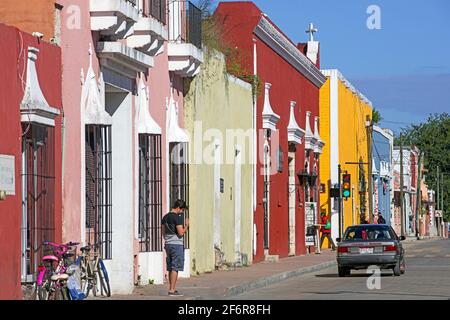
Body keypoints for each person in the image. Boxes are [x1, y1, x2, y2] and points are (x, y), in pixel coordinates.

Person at [162, 199, 189, 297]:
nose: (182, 212)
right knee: (175, 267)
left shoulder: (165, 217)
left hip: (168, 244)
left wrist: (168, 240)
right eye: (182, 210)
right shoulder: (177, 218)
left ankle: (171, 288)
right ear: (178, 208)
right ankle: (172, 290)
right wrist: (186, 226)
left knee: (170, 267)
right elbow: (181, 233)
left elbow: (163, 233)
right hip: (176, 244)